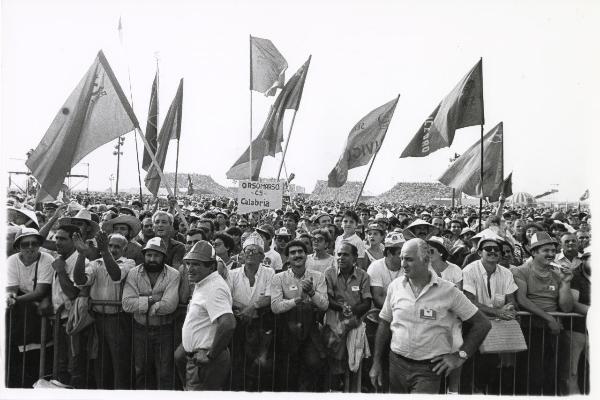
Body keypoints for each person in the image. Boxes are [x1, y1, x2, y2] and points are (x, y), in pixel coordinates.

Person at [369, 238, 491, 394]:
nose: (403, 264)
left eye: (409, 259)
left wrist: (460, 355)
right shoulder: (395, 286)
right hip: (396, 365)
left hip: (428, 370)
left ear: (425, 260)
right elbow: (385, 323)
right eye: (402, 259)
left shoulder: (448, 291)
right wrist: (376, 362)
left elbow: (482, 324)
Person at [511, 231, 574, 395]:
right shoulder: (521, 271)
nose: (551, 254)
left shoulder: (557, 274)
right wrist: (549, 319)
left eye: (553, 251)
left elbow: (566, 308)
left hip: (554, 332)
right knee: (533, 375)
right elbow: (522, 300)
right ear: (534, 252)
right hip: (531, 330)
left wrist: (566, 283)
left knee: (551, 375)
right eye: (546, 251)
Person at [73, 232, 134, 389]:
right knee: (100, 363)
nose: (113, 249)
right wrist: (81, 254)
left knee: (119, 364)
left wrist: (104, 250)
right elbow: (80, 280)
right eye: (110, 245)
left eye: (117, 247)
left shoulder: (129, 263)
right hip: (97, 318)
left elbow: (116, 275)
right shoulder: (96, 263)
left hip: (118, 319)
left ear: (125, 250)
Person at [461, 232, 519, 394]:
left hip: (495, 328)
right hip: (471, 326)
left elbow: (512, 299)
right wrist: (498, 312)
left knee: (489, 367)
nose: (493, 251)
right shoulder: (469, 270)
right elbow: (469, 300)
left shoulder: (506, 272)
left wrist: (509, 307)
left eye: (497, 249)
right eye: (488, 248)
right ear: (479, 252)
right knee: (469, 367)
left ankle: (481, 391)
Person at [122, 237, 181, 390]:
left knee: (165, 372)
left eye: (156, 255)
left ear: (164, 257)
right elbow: (127, 304)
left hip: (165, 330)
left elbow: (169, 305)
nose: (152, 259)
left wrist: (141, 303)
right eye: (149, 255)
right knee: (141, 370)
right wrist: (152, 300)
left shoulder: (173, 274)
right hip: (140, 329)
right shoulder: (134, 273)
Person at [270, 239, 328, 391]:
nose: (297, 255)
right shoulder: (279, 278)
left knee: (313, 364)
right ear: (287, 258)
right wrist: (297, 300)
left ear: (306, 255)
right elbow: (275, 307)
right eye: (293, 253)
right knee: (288, 371)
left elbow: (324, 305)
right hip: (286, 330)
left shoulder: (318, 276)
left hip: (310, 329)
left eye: (300, 252)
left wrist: (312, 293)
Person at [181, 241, 236, 391]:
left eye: (196, 264)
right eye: (188, 263)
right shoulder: (204, 283)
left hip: (206, 361)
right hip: (199, 359)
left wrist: (210, 355)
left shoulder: (214, 288)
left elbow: (228, 323)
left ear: (211, 266)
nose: (190, 269)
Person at [5, 227, 54, 388]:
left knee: (39, 355)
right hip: (21, 315)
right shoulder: (12, 261)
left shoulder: (46, 258)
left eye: (34, 243)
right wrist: (11, 297)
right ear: (18, 246)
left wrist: (15, 300)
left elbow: (40, 291)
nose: (30, 247)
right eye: (25, 244)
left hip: (39, 312)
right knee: (15, 355)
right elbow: (11, 289)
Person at [228, 232, 275, 390]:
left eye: (255, 251)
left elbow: (269, 296)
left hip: (260, 323)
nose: (250, 254)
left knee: (258, 365)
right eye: (247, 250)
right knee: (237, 361)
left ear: (262, 256)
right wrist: (242, 309)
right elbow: (227, 297)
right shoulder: (233, 274)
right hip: (238, 321)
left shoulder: (269, 272)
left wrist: (252, 307)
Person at [323, 242, 372, 390]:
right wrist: (341, 308)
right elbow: (328, 299)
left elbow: (367, 302)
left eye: (346, 254)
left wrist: (353, 311)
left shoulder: (363, 275)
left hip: (354, 319)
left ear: (355, 257)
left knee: (346, 349)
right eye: (339, 254)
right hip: (334, 319)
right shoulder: (329, 273)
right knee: (335, 343)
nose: (341, 258)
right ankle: (336, 386)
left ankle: (349, 386)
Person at [51, 224, 91, 388]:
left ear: (74, 241)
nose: (58, 242)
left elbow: (73, 293)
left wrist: (61, 272)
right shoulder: (60, 259)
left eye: (63, 239)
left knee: (73, 367)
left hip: (73, 323)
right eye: (57, 238)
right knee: (61, 366)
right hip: (58, 320)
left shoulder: (80, 262)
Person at [559, 246, 590, 394]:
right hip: (576, 330)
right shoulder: (576, 276)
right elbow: (573, 304)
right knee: (572, 372)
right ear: (583, 260)